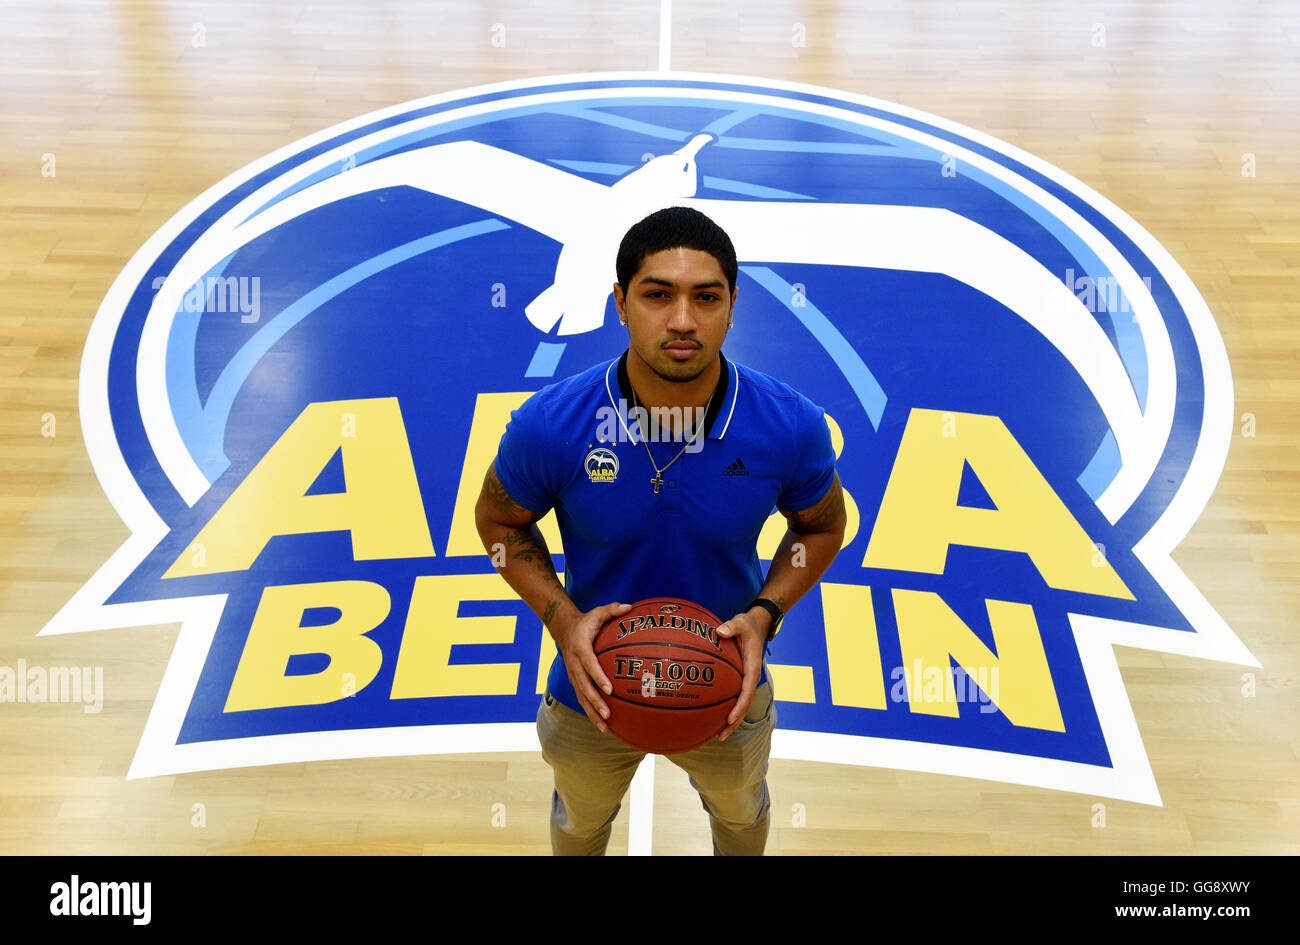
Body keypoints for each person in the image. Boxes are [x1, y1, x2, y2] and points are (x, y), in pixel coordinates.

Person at [475, 206, 846, 855]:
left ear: (733, 306)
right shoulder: (551, 425)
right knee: (579, 826)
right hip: (590, 684)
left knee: (740, 818)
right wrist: (562, 618)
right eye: (657, 295)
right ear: (620, 303)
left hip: (727, 683)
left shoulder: (789, 425)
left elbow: (820, 527)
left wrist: (764, 613)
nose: (682, 319)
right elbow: (499, 520)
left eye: (706, 297)